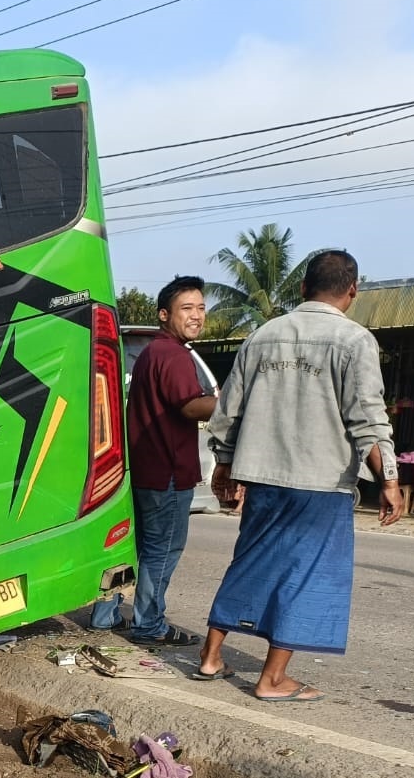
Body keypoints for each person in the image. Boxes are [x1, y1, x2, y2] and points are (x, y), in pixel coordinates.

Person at [197, 250, 403, 701]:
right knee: (306, 576)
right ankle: (271, 680)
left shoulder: (263, 336)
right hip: (320, 482)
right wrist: (389, 480)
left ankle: (210, 657)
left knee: (249, 561)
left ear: (304, 288)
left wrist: (225, 466)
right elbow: (368, 419)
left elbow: (229, 410)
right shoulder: (354, 341)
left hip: (264, 477)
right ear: (353, 291)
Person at [89, 276, 216, 647]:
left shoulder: (150, 352)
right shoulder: (174, 355)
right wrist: (238, 404)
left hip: (146, 469)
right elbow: (190, 405)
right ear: (165, 315)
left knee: (131, 545)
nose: (196, 316)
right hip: (167, 472)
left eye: (201, 308)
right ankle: (149, 624)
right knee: (162, 549)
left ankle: (104, 614)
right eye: (187, 309)